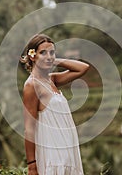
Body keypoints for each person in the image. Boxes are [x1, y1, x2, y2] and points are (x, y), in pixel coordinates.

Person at [20, 34, 89, 175]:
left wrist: (53, 60)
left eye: (52, 52)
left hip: (67, 151)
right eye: (43, 52)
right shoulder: (32, 85)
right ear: (32, 56)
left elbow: (83, 68)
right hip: (52, 154)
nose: (49, 56)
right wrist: (32, 165)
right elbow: (29, 128)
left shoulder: (52, 80)